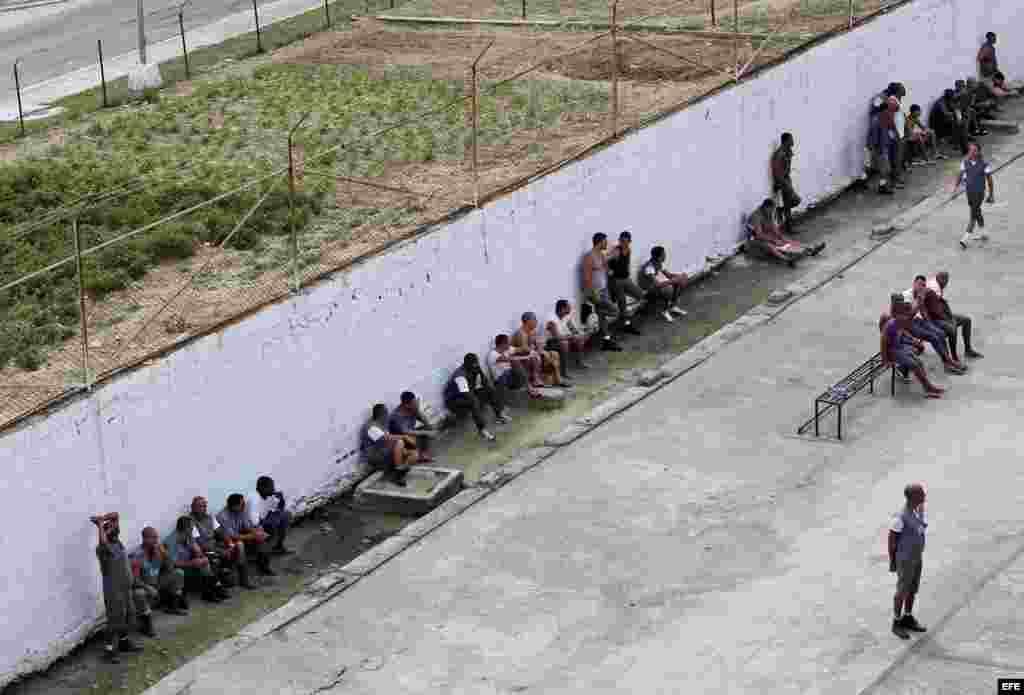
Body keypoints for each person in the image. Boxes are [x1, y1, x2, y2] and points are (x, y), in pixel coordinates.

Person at [89, 512, 145, 663]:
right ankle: (109, 651)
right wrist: (101, 526)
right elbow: (102, 541)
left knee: (128, 615)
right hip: (114, 591)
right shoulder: (103, 549)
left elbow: (115, 515)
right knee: (115, 621)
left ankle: (124, 642)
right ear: (106, 533)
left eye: (115, 529)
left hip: (125, 588)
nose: (116, 530)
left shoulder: (118, 544)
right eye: (112, 530)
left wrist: (102, 519)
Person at [889, 483, 929, 639]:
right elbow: (892, 541)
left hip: (917, 557)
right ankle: (897, 622)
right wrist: (893, 561)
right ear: (912, 497)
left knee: (912, 589)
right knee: (902, 590)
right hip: (905, 560)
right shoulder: (900, 518)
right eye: (921, 495)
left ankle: (908, 616)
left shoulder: (918, 511)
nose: (924, 496)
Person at [880, 303, 945, 398]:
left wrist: (912, 340)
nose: (906, 317)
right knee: (914, 364)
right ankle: (927, 388)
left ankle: (928, 386)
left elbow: (903, 332)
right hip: (892, 351)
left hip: (899, 347)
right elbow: (883, 343)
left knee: (918, 362)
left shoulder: (901, 322)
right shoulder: (890, 325)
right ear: (897, 315)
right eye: (904, 315)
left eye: (907, 315)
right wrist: (885, 360)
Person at [190, 496, 253, 590]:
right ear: (193, 507)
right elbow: (200, 544)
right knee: (215, 557)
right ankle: (218, 585)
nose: (203, 509)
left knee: (239, 545)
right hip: (204, 551)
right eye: (200, 506)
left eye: (204, 506)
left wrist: (230, 544)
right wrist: (221, 551)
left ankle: (244, 579)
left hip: (215, 545)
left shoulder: (209, 517)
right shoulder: (190, 522)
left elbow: (221, 532)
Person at [445, 353, 509, 442]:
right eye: (474, 365)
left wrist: (488, 390)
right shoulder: (460, 376)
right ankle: (482, 430)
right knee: (473, 402)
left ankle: (499, 415)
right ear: (467, 364)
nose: (476, 366)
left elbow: (485, 382)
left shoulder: (475, 368)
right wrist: (477, 401)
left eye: (477, 364)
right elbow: (468, 396)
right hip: (454, 400)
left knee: (490, 390)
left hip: (467, 393)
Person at [166, 516, 229, 602]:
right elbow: (173, 563)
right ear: (186, 529)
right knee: (204, 563)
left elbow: (198, 552)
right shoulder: (171, 541)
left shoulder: (188, 536)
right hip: (177, 569)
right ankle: (215, 588)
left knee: (206, 561)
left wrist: (199, 554)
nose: (193, 530)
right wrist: (192, 563)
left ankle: (211, 591)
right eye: (192, 528)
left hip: (188, 563)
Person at [746, 199, 825, 266]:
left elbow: (773, 228)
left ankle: (810, 248)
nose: (772, 212)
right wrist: (773, 240)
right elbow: (759, 235)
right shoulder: (756, 216)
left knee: (786, 240)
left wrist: (780, 236)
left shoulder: (768, 213)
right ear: (766, 207)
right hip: (754, 241)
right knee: (770, 246)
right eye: (771, 210)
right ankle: (788, 260)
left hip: (765, 236)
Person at [131, 526, 187, 620]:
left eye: (156, 538)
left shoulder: (158, 551)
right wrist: (148, 588)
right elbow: (134, 580)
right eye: (153, 538)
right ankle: (146, 621)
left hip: (157, 582)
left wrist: (164, 553)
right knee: (138, 593)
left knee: (178, 573)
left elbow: (170, 568)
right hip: (145, 586)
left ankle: (173, 606)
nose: (156, 541)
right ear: (145, 539)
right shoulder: (137, 555)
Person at [581, 233, 623, 352]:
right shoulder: (589, 257)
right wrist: (593, 293)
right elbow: (587, 278)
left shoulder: (601, 255)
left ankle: (607, 340)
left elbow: (605, 270)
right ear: (599, 242)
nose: (607, 244)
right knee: (615, 311)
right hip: (595, 292)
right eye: (605, 242)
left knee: (603, 315)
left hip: (604, 290)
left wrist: (610, 268)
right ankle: (593, 312)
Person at [217, 494, 274, 576]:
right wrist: (252, 536)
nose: (244, 505)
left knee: (262, 538)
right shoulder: (222, 516)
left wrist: (257, 532)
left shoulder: (240, 511)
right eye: (242, 504)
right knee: (241, 544)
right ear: (234, 506)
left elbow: (247, 526)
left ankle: (264, 566)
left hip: (240, 536)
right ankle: (242, 575)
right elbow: (231, 535)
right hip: (227, 540)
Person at [930, 271, 983, 360]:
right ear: (939, 279)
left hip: (940, 314)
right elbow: (935, 311)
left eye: (947, 281)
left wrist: (949, 316)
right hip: (932, 318)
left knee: (966, 320)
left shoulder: (936, 284)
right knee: (952, 328)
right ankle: (954, 357)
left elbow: (943, 304)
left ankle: (968, 350)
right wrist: (949, 319)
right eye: (944, 281)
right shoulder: (935, 289)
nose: (946, 284)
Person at [952, 141, 994, 249]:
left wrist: (991, 194)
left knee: (973, 214)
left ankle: (965, 238)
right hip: (969, 193)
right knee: (977, 211)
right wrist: (955, 189)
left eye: (974, 150)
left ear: (978, 152)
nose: (971, 152)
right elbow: (959, 176)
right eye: (970, 150)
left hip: (979, 193)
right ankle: (984, 233)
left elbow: (990, 180)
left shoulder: (984, 164)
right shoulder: (964, 162)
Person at [512, 311, 569, 389]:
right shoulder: (520, 333)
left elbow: (537, 344)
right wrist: (537, 350)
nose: (536, 322)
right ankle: (538, 379)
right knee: (540, 356)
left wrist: (539, 346)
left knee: (554, 353)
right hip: (522, 357)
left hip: (531, 353)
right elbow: (523, 350)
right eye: (535, 320)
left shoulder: (532, 331)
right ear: (528, 321)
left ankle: (557, 379)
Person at [362, 403, 415, 486]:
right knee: (400, 442)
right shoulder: (371, 427)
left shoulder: (382, 423)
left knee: (412, 454)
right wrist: (404, 437)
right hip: (375, 456)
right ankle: (398, 473)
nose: (387, 415)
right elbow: (385, 438)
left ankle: (399, 470)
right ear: (381, 415)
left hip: (384, 451)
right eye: (386, 413)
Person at [636, 246, 690, 323]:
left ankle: (672, 306)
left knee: (677, 283)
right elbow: (657, 284)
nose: (665, 255)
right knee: (668, 289)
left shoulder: (659, 263)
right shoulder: (649, 267)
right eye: (664, 254)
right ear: (659, 257)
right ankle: (665, 311)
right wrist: (673, 280)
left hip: (654, 285)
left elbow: (669, 275)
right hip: (647, 288)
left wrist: (681, 276)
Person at [606, 231, 644, 336]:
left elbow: (626, 263)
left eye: (626, 242)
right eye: (621, 241)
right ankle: (627, 325)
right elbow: (604, 261)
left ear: (630, 242)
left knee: (640, 295)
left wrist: (628, 275)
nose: (623, 243)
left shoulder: (629, 250)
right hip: (616, 281)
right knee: (622, 304)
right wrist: (608, 270)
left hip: (626, 279)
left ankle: (629, 312)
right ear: (619, 240)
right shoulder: (616, 251)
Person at [389, 391, 440, 462]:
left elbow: (426, 422)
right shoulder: (396, 415)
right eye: (414, 403)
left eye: (415, 402)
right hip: (400, 440)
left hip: (411, 436)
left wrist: (418, 411)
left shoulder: (413, 409)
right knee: (423, 433)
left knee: (428, 428)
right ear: (406, 405)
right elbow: (406, 431)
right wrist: (426, 433)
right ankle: (414, 456)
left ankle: (424, 455)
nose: (416, 404)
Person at [249, 476, 292, 555]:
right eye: (271, 487)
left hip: (263, 521)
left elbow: (279, 509)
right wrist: (270, 521)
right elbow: (254, 522)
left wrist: (281, 499)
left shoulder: (269, 496)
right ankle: (262, 552)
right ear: (262, 488)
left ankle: (279, 547)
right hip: (252, 526)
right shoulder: (254, 499)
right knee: (274, 521)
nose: (273, 489)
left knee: (285, 515)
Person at [545, 299, 589, 378]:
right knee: (564, 344)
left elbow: (574, 330)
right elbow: (557, 337)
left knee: (578, 340)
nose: (570, 309)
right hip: (551, 342)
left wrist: (580, 335)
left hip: (563, 338)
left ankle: (579, 362)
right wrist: (571, 336)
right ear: (562, 309)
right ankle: (563, 372)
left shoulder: (566, 317)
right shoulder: (552, 320)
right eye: (568, 307)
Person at [772, 132, 801, 233]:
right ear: (785, 141)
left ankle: (782, 212)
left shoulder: (787, 151)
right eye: (791, 140)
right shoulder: (779, 154)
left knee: (789, 204)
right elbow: (776, 170)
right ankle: (788, 224)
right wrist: (780, 183)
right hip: (783, 180)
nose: (793, 141)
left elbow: (787, 165)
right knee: (796, 200)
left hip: (787, 179)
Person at [929, 89, 968, 156]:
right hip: (937, 124)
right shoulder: (941, 102)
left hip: (944, 122)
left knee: (961, 124)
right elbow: (946, 113)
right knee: (958, 125)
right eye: (952, 97)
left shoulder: (948, 100)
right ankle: (959, 144)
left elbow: (954, 108)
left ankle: (960, 144)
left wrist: (958, 111)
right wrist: (955, 113)